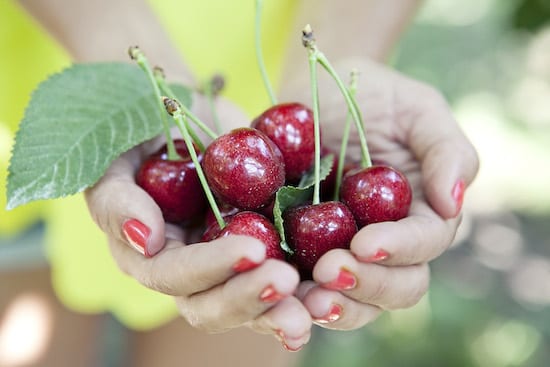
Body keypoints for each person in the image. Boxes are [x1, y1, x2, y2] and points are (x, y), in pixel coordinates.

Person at [4, 0, 479, 365]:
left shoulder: (309, 146)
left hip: (270, 80)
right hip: (78, 82)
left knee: (240, 313)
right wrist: (136, 75)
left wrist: (348, 51)